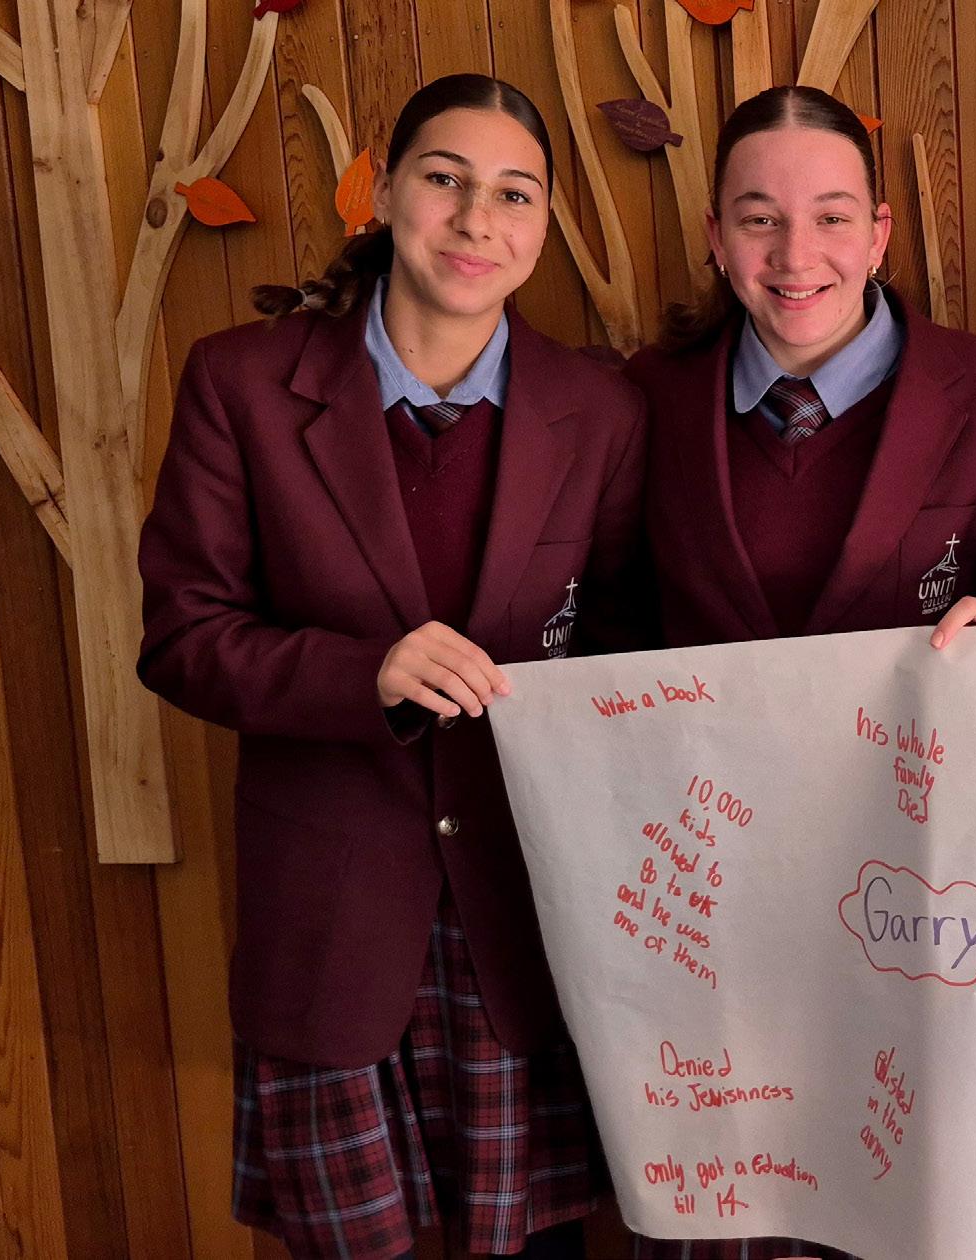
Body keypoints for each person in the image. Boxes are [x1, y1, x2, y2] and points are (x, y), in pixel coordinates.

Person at [137, 74, 646, 1259]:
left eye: (514, 194)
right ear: (381, 190)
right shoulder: (242, 383)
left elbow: (627, 649)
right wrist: (363, 674)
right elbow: (183, 636)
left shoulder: (600, 412)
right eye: (444, 178)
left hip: (533, 923)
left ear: (545, 224)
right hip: (332, 921)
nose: (476, 220)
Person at [620, 83, 976, 1260]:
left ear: (881, 231)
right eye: (758, 218)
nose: (795, 253)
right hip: (713, 915)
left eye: (831, 216)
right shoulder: (643, 400)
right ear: (716, 238)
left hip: (937, 902)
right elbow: (608, 639)